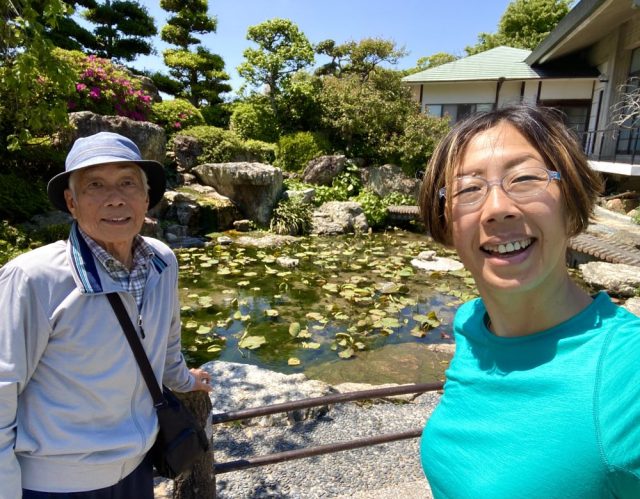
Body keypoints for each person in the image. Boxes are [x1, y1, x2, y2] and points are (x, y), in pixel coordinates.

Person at [418, 105, 640, 498]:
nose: (497, 209)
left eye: (524, 178)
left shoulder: (627, 372)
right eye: (468, 189)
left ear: (571, 204)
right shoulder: (472, 323)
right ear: (447, 223)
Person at [0, 132, 213, 499]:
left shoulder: (162, 262)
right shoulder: (33, 278)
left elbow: (166, 344)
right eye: (95, 185)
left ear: (146, 198)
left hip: (137, 470)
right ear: (72, 202)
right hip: (55, 484)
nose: (115, 198)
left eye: (127, 183)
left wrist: (184, 379)